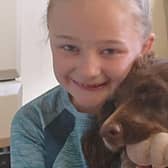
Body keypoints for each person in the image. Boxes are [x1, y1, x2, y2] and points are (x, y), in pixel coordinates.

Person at [11, 0, 156, 167]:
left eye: (110, 50)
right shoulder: (33, 123)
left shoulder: (158, 112)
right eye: (69, 47)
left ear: (144, 49)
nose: (88, 71)